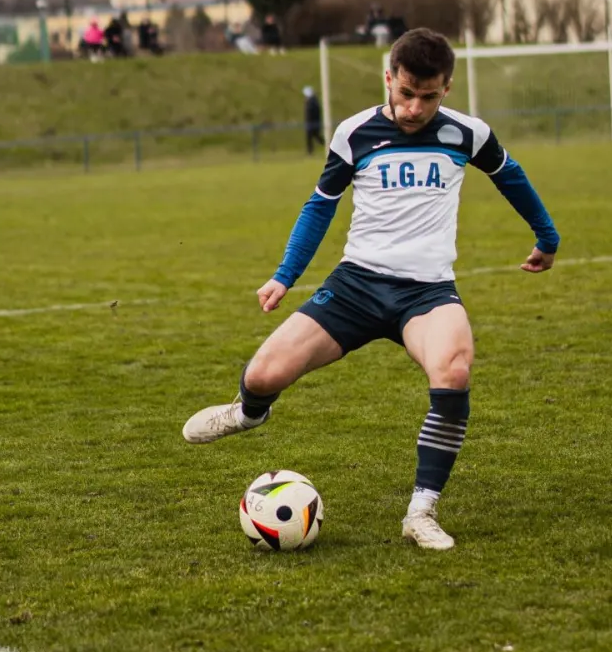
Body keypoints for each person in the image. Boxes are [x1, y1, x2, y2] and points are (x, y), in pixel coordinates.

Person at [182, 27, 561, 550]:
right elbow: (320, 205)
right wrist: (284, 275)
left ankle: (421, 512)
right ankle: (247, 413)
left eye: (428, 97)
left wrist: (547, 237)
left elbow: (510, 176)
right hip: (355, 286)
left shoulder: (467, 134)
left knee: (453, 370)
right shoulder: (354, 133)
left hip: (427, 293)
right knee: (264, 374)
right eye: (406, 93)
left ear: (447, 89)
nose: (414, 108)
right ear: (388, 78)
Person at [302, 85, 323, 154]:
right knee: (314, 136)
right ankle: (310, 151)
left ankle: (310, 151)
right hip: (312, 122)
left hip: (312, 122)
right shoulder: (313, 100)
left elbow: (311, 112)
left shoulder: (312, 101)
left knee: (312, 136)